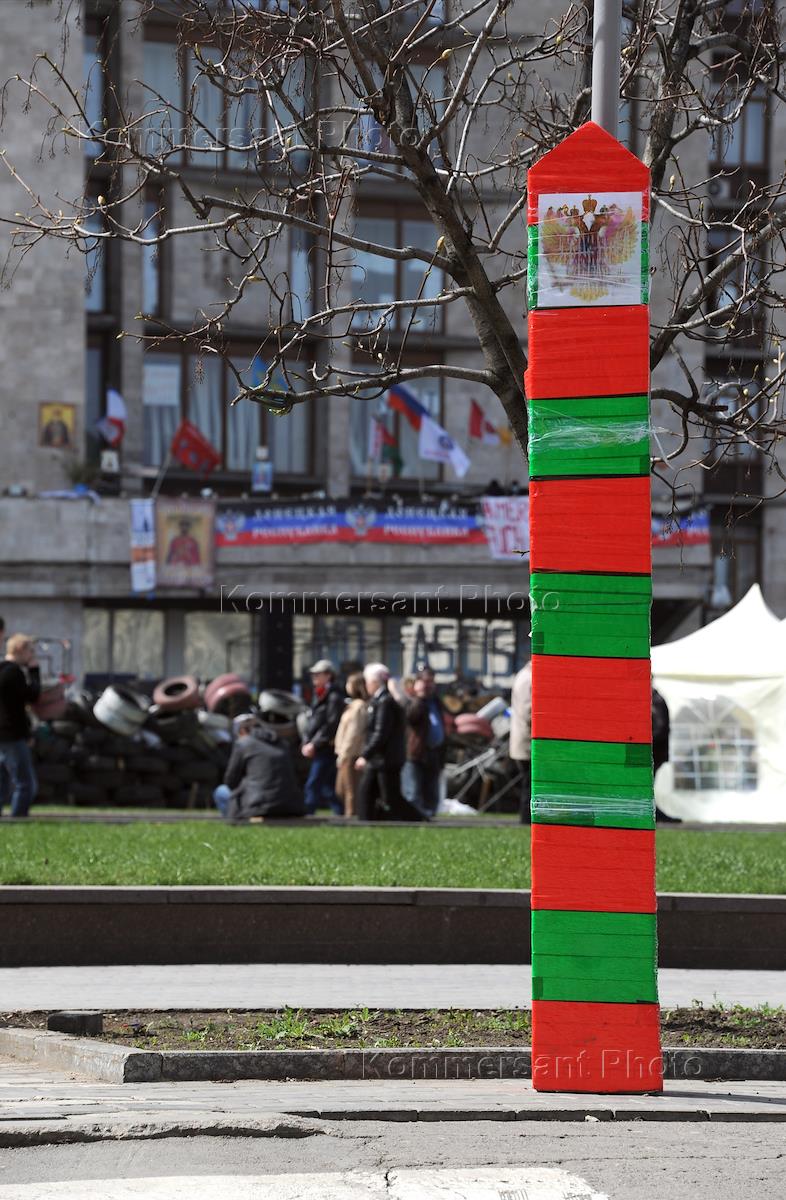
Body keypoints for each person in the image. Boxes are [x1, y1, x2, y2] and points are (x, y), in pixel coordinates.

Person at [355, 662, 424, 821]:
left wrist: (365, 754)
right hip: (380, 759)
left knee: (390, 796)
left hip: (385, 759)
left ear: (374, 682)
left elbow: (381, 733)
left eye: (367, 682)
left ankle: (418, 819)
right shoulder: (380, 700)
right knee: (368, 792)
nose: (366, 686)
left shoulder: (384, 701)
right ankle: (368, 820)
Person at [214, 712, 304, 822]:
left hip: (257, 806)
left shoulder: (243, 743)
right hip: (291, 806)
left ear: (242, 731)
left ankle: (234, 822)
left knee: (221, 791)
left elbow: (230, 781)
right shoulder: (283, 744)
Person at [0, 634, 41, 818]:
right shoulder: (14, 672)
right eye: (30, 651)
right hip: (12, 734)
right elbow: (32, 696)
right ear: (20, 650)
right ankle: (18, 819)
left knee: (2, 781)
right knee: (25, 783)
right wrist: (34, 671)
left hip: (3, 734)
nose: (32, 656)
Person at [301, 659, 345, 815]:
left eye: (318, 674)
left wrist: (314, 743)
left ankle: (308, 813)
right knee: (327, 785)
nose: (314, 677)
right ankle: (340, 812)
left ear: (328, 675)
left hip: (325, 747)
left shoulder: (334, 696)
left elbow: (331, 725)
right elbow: (314, 721)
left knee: (314, 783)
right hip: (319, 746)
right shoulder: (319, 694)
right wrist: (307, 741)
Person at [402, 670, 445, 818]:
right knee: (413, 790)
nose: (428, 686)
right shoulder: (414, 702)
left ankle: (429, 817)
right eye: (424, 682)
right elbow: (411, 717)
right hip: (416, 753)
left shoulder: (435, 702)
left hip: (434, 752)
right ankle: (414, 819)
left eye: (430, 682)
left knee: (431, 791)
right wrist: (418, 697)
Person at [334, 672, 368, 818]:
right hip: (344, 752)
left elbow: (354, 733)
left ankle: (352, 816)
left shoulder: (359, 706)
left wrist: (344, 753)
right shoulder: (351, 705)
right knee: (340, 789)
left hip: (351, 754)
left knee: (350, 790)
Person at [510, 661, 532, 823]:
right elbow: (528, 711)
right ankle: (526, 819)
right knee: (529, 783)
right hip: (527, 740)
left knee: (528, 782)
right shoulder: (528, 679)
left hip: (523, 739)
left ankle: (526, 818)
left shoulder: (523, 676)